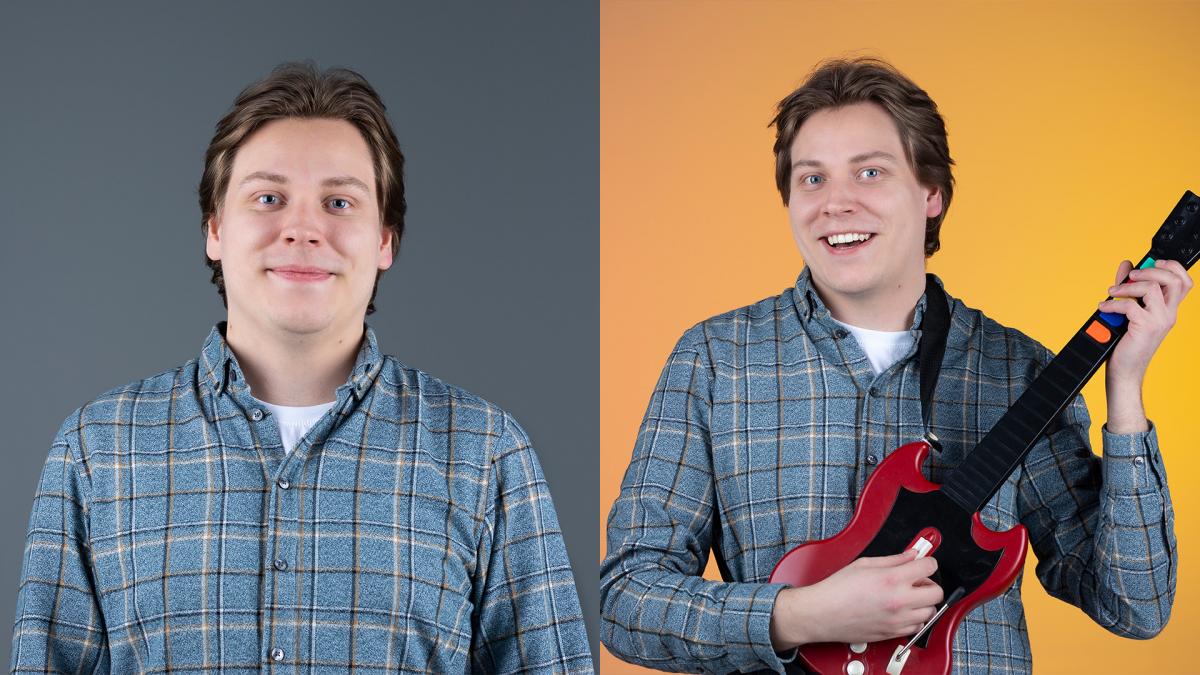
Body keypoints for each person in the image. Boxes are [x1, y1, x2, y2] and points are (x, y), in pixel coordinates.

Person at [600, 57, 1187, 673]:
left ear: (930, 193)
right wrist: (804, 614)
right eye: (812, 179)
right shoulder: (716, 361)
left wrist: (1125, 391)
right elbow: (626, 600)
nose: (836, 204)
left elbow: (1133, 607)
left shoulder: (1019, 372)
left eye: (870, 172)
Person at [12, 62, 593, 674]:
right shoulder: (97, 449)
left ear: (384, 241)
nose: (303, 229)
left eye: (339, 202)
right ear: (215, 228)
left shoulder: (484, 452)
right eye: (269, 198)